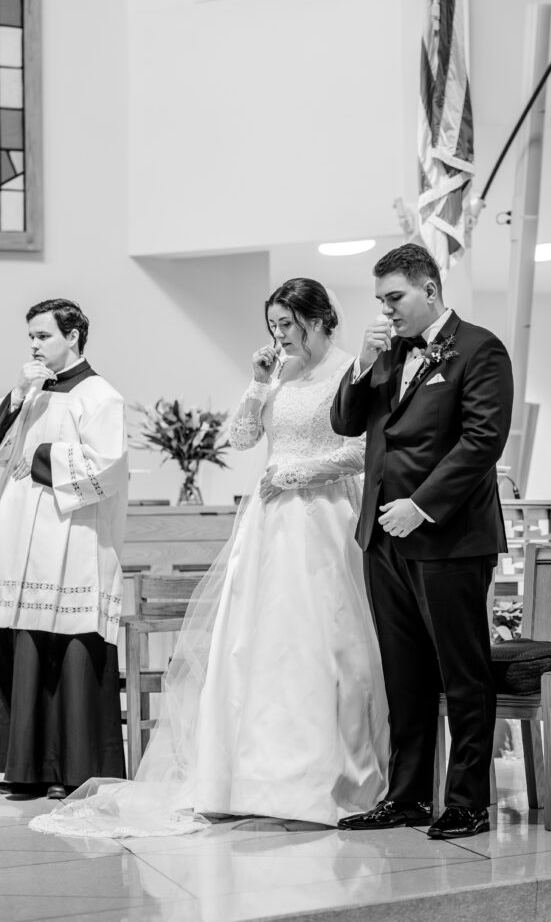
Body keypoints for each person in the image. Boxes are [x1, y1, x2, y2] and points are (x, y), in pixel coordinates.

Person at [30, 278, 388, 836]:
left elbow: (362, 449)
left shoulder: (351, 370)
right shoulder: (280, 370)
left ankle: (322, 778)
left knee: (323, 640)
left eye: (287, 325)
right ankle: (244, 779)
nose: (279, 336)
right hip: (269, 523)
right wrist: (257, 382)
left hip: (324, 518)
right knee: (252, 644)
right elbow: (244, 437)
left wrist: (296, 473)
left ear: (318, 320)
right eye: (272, 326)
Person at [331, 243, 513, 839]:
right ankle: (406, 796)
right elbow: (345, 422)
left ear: (429, 289)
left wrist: (422, 506)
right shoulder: (387, 352)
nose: (387, 311)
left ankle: (467, 801)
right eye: (380, 300)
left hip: (450, 538)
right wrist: (361, 362)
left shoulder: (479, 349)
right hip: (381, 539)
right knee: (402, 673)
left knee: (462, 673)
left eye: (395, 298)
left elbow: (482, 441)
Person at [0, 299, 128, 798]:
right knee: (27, 641)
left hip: (72, 538)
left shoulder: (100, 395)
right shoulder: (34, 394)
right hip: (23, 540)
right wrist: (17, 393)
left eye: (43, 336)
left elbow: (108, 466)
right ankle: (27, 768)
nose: (33, 345)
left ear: (72, 336)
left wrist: (40, 456)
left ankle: (73, 767)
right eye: (30, 336)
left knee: (70, 644)